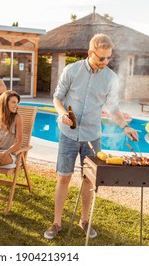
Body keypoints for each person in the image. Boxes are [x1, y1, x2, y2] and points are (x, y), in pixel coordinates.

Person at [44, 34, 139, 240]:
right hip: (68, 134)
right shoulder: (72, 70)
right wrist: (61, 114)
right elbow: (57, 98)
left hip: (92, 136)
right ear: (90, 53)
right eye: (101, 58)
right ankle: (56, 222)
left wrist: (125, 127)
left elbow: (113, 109)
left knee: (88, 180)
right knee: (63, 177)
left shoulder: (110, 78)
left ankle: (84, 220)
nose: (105, 62)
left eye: (108, 58)